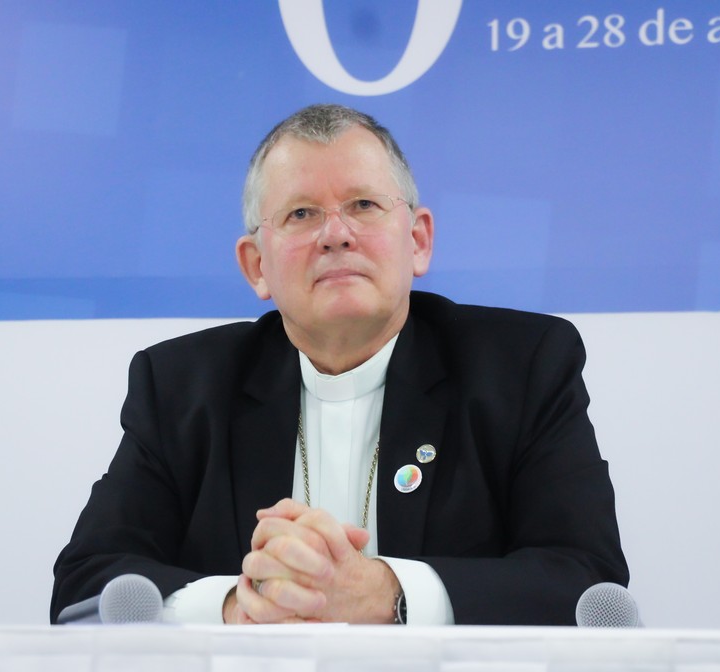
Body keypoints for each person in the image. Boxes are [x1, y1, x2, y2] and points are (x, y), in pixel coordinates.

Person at [51, 104, 628, 625]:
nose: (336, 234)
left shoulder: (521, 367)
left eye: (364, 205)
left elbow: (587, 580)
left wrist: (385, 592)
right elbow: (83, 588)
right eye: (302, 213)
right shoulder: (180, 387)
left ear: (418, 240)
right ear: (256, 266)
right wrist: (237, 605)